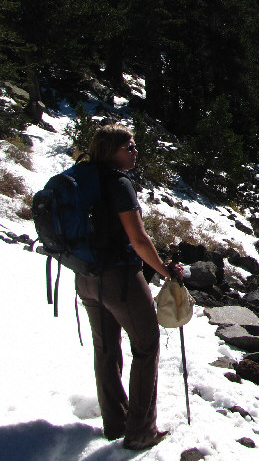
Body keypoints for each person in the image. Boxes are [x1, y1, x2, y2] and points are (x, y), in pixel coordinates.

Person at [76, 124, 182, 451]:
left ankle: (115, 422)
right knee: (146, 345)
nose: (136, 151)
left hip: (85, 277)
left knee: (106, 349)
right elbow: (138, 239)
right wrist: (164, 270)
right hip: (119, 278)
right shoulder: (119, 183)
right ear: (112, 151)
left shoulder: (82, 178)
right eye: (130, 147)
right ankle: (140, 431)